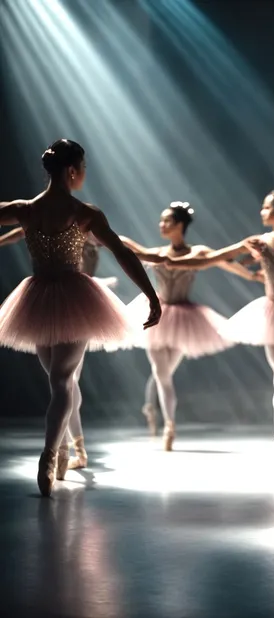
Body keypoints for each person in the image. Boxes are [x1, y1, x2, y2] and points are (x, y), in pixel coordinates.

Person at [0, 139, 160, 496]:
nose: (85, 172)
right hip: (54, 298)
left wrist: (151, 294)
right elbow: (121, 252)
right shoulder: (85, 213)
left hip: (53, 297)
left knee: (60, 380)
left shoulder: (26, 209)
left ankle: (49, 455)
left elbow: (122, 252)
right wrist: (150, 295)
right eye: (84, 166)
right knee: (63, 382)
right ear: (72, 170)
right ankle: (62, 452)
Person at [162, 186, 274, 465]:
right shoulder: (259, 242)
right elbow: (213, 258)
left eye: (267, 207)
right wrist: (164, 260)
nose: (262, 212)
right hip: (272, 313)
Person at [118, 202, 257, 450]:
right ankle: (170, 425)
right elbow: (130, 248)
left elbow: (223, 261)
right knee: (161, 373)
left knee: (164, 373)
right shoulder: (158, 252)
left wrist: (252, 275)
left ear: (180, 225)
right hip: (158, 313)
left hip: (184, 318)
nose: (161, 225)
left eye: (167, 221)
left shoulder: (199, 252)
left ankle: (150, 406)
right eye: (161, 221)